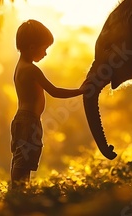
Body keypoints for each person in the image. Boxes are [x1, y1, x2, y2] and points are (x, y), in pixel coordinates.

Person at [10, 19, 84, 189]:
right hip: (28, 121)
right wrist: (80, 91)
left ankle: (20, 192)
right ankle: (17, 193)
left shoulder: (20, 66)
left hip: (25, 120)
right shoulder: (30, 69)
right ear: (31, 47)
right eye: (44, 49)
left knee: (23, 158)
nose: (45, 53)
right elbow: (55, 91)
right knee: (23, 160)